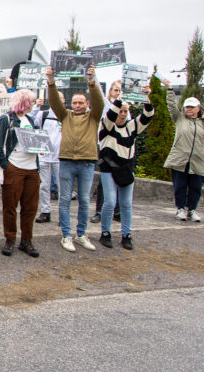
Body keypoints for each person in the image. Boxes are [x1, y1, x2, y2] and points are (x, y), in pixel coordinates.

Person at [47, 65, 104, 252]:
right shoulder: (65, 116)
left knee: (84, 200)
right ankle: (66, 235)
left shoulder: (93, 116)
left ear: (87, 104)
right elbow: (55, 102)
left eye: (81, 102)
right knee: (64, 199)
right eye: (75, 102)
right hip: (67, 162)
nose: (77, 105)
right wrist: (51, 82)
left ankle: (81, 234)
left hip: (87, 162)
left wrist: (92, 82)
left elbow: (99, 102)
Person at [99, 88, 153, 249]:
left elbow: (147, 116)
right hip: (109, 169)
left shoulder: (132, 126)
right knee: (110, 202)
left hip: (126, 169)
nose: (122, 114)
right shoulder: (106, 126)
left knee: (126, 204)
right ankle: (105, 233)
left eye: (125, 111)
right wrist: (119, 100)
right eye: (120, 111)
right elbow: (111, 115)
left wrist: (146, 98)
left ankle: (126, 235)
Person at [0, 89, 42, 258]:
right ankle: (10, 238)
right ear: (25, 102)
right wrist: (7, 166)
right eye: (31, 101)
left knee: (30, 207)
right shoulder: (6, 119)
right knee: (10, 206)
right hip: (15, 167)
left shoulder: (31, 120)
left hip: (32, 168)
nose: (33, 104)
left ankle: (26, 239)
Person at [163, 84, 204, 222]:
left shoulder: (203, 121)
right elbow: (171, 106)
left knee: (196, 187)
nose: (189, 109)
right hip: (180, 158)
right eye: (187, 107)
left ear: (198, 108)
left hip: (198, 160)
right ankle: (180, 209)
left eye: (192, 107)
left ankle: (192, 210)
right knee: (180, 186)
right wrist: (170, 90)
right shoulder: (179, 118)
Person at [92, 80, 124, 223]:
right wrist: (93, 76)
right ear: (110, 91)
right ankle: (99, 211)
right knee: (104, 179)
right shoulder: (106, 105)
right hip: (106, 147)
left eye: (120, 90)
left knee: (120, 178)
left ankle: (117, 211)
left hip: (120, 148)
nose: (117, 93)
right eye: (115, 90)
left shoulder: (125, 108)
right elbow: (98, 90)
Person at [33, 99, 61, 224]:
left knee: (62, 187)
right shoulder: (43, 114)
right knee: (44, 185)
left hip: (60, 156)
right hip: (44, 155)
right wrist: (36, 106)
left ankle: (62, 214)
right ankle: (45, 211)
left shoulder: (65, 114)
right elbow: (32, 122)